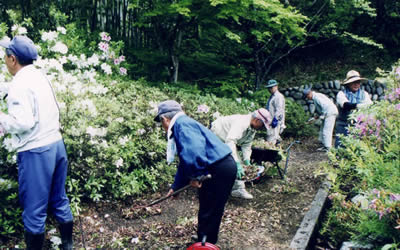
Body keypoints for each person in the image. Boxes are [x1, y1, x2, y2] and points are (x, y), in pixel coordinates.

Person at [0, 36, 73, 249]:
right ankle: (68, 245)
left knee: (34, 210)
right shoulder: (38, 76)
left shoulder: (19, 84)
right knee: (59, 198)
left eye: (5, 56)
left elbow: (22, 121)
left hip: (36, 151)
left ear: (13, 59)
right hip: (56, 144)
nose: (4, 59)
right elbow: (14, 90)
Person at [154, 100, 236, 245]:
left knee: (211, 208)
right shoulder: (183, 123)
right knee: (207, 206)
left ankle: (206, 244)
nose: (162, 127)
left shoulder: (182, 125)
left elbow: (194, 151)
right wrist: (176, 187)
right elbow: (185, 160)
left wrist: (196, 175)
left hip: (219, 168)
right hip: (217, 167)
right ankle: (203, 240)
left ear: (165, 119)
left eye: (161, 123)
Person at [211, 108, 272, 200]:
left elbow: (246, 145)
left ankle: (238, 190)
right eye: (262, 125)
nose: (262, 128)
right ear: (257, 120)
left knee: (238, 162)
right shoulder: (241, 123)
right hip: (217, 135)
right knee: (227, 162)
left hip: (228, 139)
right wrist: (237, 163)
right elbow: (230, 141)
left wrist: (247, 160)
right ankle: (213, 189)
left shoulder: (252, 128)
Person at [335, 70, 373, 148]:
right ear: (348, 84)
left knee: (358, 149)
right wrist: (360, 105)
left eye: (358, 82)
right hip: (343, 125)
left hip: (359, 126)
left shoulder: (364, 94)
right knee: (341, 148)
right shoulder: (341, 94)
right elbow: (346, 105)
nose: (356, 84)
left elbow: (369, 105)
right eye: (353, 82)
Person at [265, 79, 286, 145]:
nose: (270, 89)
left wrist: (275, 120)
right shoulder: (272, 96)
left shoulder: (278, 96)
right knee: (274, 137)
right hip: (270, 120)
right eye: (269, 88)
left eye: (271, 87)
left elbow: (279, 110)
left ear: (276, 86)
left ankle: (272, 153)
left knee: (270, 140)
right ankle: (278, 144)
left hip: (275, 122)